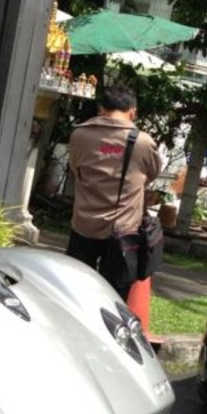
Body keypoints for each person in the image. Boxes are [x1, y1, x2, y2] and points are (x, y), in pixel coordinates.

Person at [65, 84, 163, 296]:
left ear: (101, 109)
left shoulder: (79, 135)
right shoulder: (143, 142)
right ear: (133, 112)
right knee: (113, 297)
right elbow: (152, 173)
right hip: (123, 231)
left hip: (84, 226)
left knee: (75, 292)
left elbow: (75, 169)